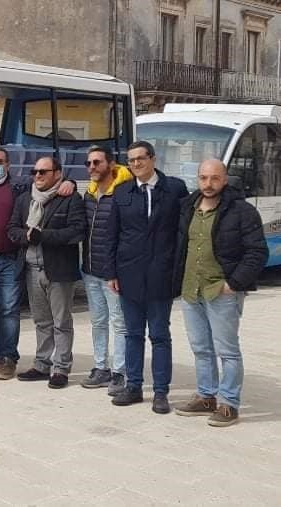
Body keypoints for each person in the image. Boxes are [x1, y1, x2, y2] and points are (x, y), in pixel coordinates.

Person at [172, 159, 267, 427]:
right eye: (203, 178)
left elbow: (257, 252)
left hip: (222, 292)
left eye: (214, 178)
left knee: (227, 351)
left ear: (225, 180)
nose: (208, 184)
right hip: (192, 290)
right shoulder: (187, 207)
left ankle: (229, 403)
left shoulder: (242, 211)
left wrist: (233, 284)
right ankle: (206, 396)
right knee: (201, 348)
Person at [0, 146, 74, 381]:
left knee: (8, 309)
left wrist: (71, 183)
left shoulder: (20, 187)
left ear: (8, 164)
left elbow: (49, 185)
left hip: (9, 259)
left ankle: (9, 358)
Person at [104, 140, 188, 414]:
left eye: (140, 158)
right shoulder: (122, 191)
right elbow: (112, 235)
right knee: (133, 334)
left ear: (153, 158)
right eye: (131, 160)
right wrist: (111, 273)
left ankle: (161, 392)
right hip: (129, 275)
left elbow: (182, 232)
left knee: (160, 335)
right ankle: (134, 386)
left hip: (161, 274)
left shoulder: (174, 188)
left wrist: (178, 269)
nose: (136, 164)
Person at [7, 157, 85, 389]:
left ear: (57, 173)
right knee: (41, 321)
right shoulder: (24, 199)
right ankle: (42, 364)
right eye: (35, 171)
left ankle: (61, 368)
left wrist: (44, 235)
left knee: (61, 321)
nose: (38, 176)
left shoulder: (70, 198)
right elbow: (12, 229)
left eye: (43, 171)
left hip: (58, 270)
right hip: (31, 269)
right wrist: (27, 236)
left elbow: (76, 231)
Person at [79, 146, 132, 394]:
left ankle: (120, 372)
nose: (91, 168)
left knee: (119, 323)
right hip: (90, 270)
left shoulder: (124, 193)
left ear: (110, 164)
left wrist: (118, 270)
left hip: (114, 274)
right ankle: (101, 368)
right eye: (89, 163)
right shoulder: (89, 194)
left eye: (97, 163)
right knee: (98, 322)